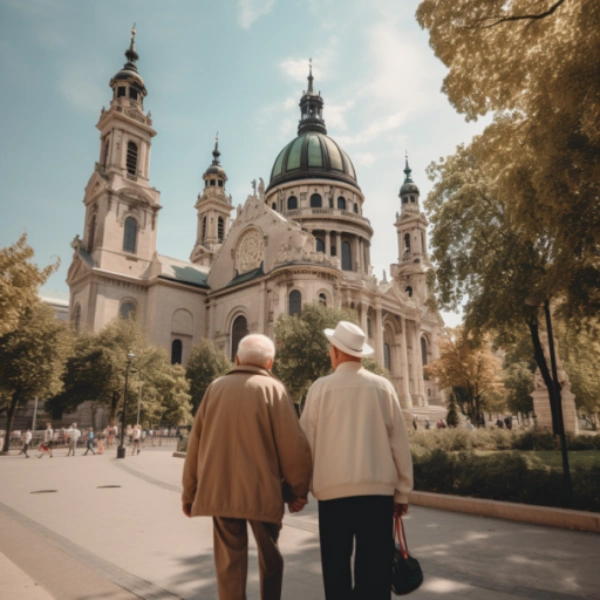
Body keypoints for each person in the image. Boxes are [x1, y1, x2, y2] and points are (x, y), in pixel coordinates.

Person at [182, 333, 312, 600]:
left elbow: (194, 445)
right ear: (270, 363)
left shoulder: (214, 388)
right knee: (271, 558)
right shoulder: (274, 389)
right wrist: (297, 491)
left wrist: (189, 492)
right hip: (263, 492)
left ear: (237, 359)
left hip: (222, 490)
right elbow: (293, 446)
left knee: (229, 563)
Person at [299, 321, 413, 600]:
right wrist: (402, 492)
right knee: (375, 578)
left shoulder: (319, 389)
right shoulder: (383, 387)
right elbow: (399, 443)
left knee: (336, 574)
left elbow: (305, 446)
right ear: (360, 353)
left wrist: (298, 490)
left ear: (336, 351)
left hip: (333, 496)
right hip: (377, 497)